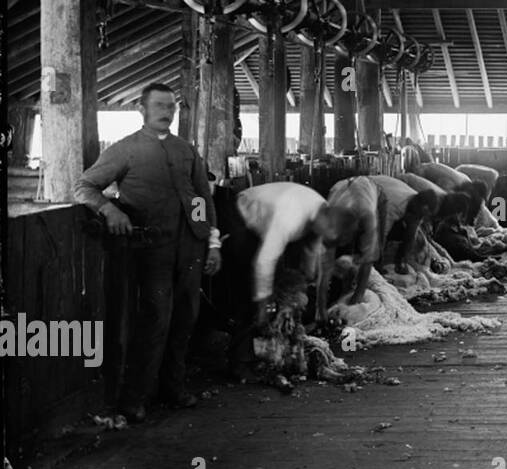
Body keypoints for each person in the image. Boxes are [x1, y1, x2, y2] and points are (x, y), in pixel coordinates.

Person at [74, 82, 222, 423]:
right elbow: (84, 186)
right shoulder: (125, 150)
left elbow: (202, 199)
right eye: (158, 105)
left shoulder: (186, 150)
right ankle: (134, 398)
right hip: (152, 249)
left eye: (171, 106)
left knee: (186, 318)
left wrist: (211, 243)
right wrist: (110, 210)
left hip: (191, 249)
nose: (166, 111)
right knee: (155, 319)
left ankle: (174, 388)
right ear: (142, 109)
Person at [230, 182, 359, 375]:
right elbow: (264, 262)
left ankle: (270, 347)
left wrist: (307, 280)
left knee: (283, 289)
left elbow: (312, 248)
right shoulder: (290, 217)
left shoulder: (321, 214)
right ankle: (240, 362)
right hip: (243, 215)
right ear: (328, 222)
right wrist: (263, 301)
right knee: (251, 291)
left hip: (274, 223)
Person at [323, 175, 388, 310]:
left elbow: (369, 258)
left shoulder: (368, 216)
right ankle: (340, 291)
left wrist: (358, 296)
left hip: (372, 191)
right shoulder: (329, 218)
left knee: (377, 250)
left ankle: (378, 289)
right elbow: (326, 256)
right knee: (341, 256)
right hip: (342, 188)